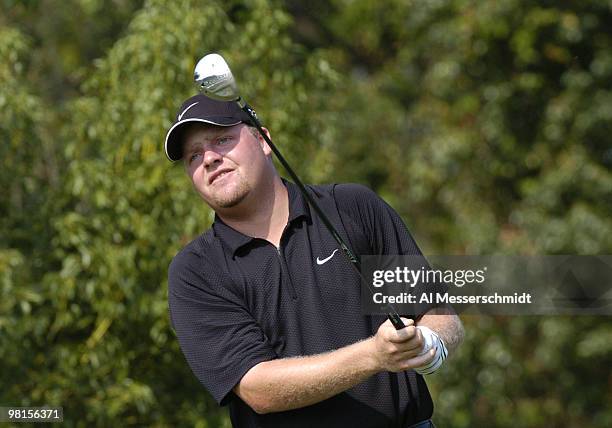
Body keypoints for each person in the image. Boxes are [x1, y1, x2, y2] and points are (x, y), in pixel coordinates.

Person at [164, 94, 464, 428]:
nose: (208, 159)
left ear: (263, 140)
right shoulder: (196, 271)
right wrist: (374, 356)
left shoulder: (353, 208)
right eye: (193, 156)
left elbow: (436, 312)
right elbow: (258, 389)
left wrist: (431, 343)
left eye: (222, 140)